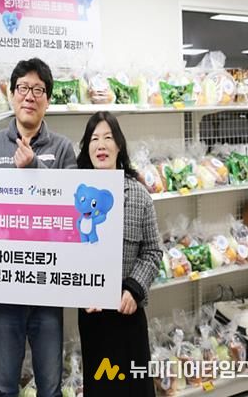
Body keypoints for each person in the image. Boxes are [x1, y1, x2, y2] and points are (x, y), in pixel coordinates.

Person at [0, 58, 77, 397]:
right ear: (11, 94)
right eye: (22, 88)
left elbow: (74, 207)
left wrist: (35, 168)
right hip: (6, 288)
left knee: (50, 387)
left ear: (47, 99)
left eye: (38, 90)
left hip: (49, 287)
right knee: (5, 385)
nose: (29, 96)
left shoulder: (62, 148)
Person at [76, 111, 162, 397]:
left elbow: (153, 250)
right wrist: (81, 291)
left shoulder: (138, 194)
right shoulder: (74, 195)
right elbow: (66, 254)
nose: (101, 145)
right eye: (94, 139)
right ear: (87, 148)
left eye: (108, 138)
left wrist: (133, 289)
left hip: (128, 312)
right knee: (101, 386)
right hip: (93, 316)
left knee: (135, 387)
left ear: (119, 145)